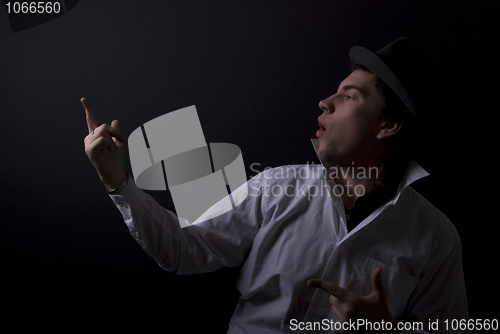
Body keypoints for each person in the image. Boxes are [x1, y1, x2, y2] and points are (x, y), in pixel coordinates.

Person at [83, 38, 468, 333]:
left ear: (388, 125)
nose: (325, 102)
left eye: (349, 96)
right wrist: (117, 182)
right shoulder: (276, 187)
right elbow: (185, 249)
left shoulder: (436, 238)